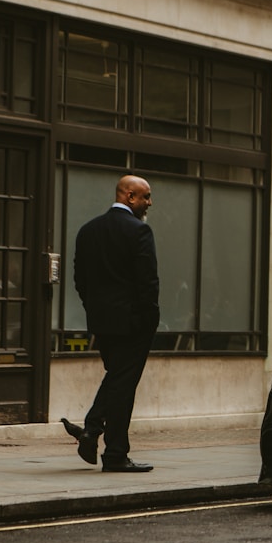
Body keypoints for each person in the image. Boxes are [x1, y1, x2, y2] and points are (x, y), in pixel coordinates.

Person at [60, 175, 160, 472]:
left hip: (102, 322)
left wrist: (94, 308)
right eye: (146, 196)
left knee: (118, 380)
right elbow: (148, 282)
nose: (149, 203)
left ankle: (104, 442)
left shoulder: (88, 230)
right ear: (130, 196)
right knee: (122, 383)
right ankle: (104, 442)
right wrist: (150, 318)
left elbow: (80, 280)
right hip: (133, 323)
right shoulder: (139, 231)